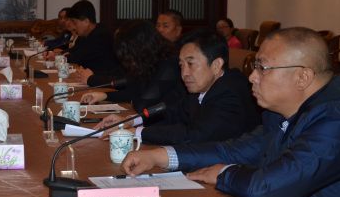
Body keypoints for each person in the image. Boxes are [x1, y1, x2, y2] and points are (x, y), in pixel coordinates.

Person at [121, 27, 340, 197]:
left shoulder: (338, 120)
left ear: (302, 77)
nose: (252, 77)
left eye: (262, 68)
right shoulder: (289, 109)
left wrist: (225, 174)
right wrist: (162, 156)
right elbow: (235, 150)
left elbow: (268, 190)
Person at [96, 29, 259, 144]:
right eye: (181, 65)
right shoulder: (202, 87)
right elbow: (173, 113)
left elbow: (194, 135)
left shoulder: (230, 92)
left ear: (216, 65)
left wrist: (138, 132)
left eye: (190, 64)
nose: (184, 73)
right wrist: (130, 121)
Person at [81, 20, 185, 113]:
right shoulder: (151, 61)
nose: (130, 62)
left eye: (130, 55)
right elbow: (134, 90)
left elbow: (143, 106)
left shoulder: (169, 65)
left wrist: (135, 98)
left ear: (141, 48)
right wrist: (105, 96)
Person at [65, 0, 120, 77]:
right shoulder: (84, 34)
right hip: (88, 77)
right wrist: (63, 54)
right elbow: (72, 51)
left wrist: (62, 57)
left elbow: (77, 57)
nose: (73, 27)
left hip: (104, 80)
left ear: (86, 22)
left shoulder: (101, 36)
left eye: (75, 23)